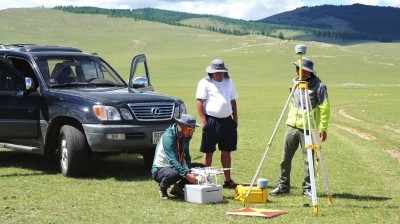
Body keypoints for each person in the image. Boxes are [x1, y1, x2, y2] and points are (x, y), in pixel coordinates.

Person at [270, 57, 330, 198]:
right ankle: (283, 186)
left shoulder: (319, 86)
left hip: (308, 127)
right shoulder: (294, 82)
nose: (296, 71)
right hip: (292, 125)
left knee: (308, 159)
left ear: (307, 71)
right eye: (296, 68)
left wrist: (323, 128)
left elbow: (325, 108)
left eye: (298, 68)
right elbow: (292, 100)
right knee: (285, 158)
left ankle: (308, 189)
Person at [196, 59, 239, 189]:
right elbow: (199, 102)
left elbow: (233, 100)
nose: (218, 74)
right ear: (211, 73)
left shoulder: (228, 82)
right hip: (211, 120)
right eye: (216, 72)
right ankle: (206, 178)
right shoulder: (204, 82)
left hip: (227, 121)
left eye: (221, 72)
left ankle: (227, 179)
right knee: (208, 151)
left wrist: (235, 117)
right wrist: (204, 120)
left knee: (227, 151)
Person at [151, 114, 204, 200]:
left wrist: (188, 168)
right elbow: (172, 160)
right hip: (160, 169)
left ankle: (178, 188)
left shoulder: (187, 136)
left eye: (193, 129)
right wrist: (187, 174)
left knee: (201, 168)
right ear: (181, 126)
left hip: (177, 165)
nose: (191, 132)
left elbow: (186, 154)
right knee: (176, 173)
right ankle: (162, 188)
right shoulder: (168, 137)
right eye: (189, 129)